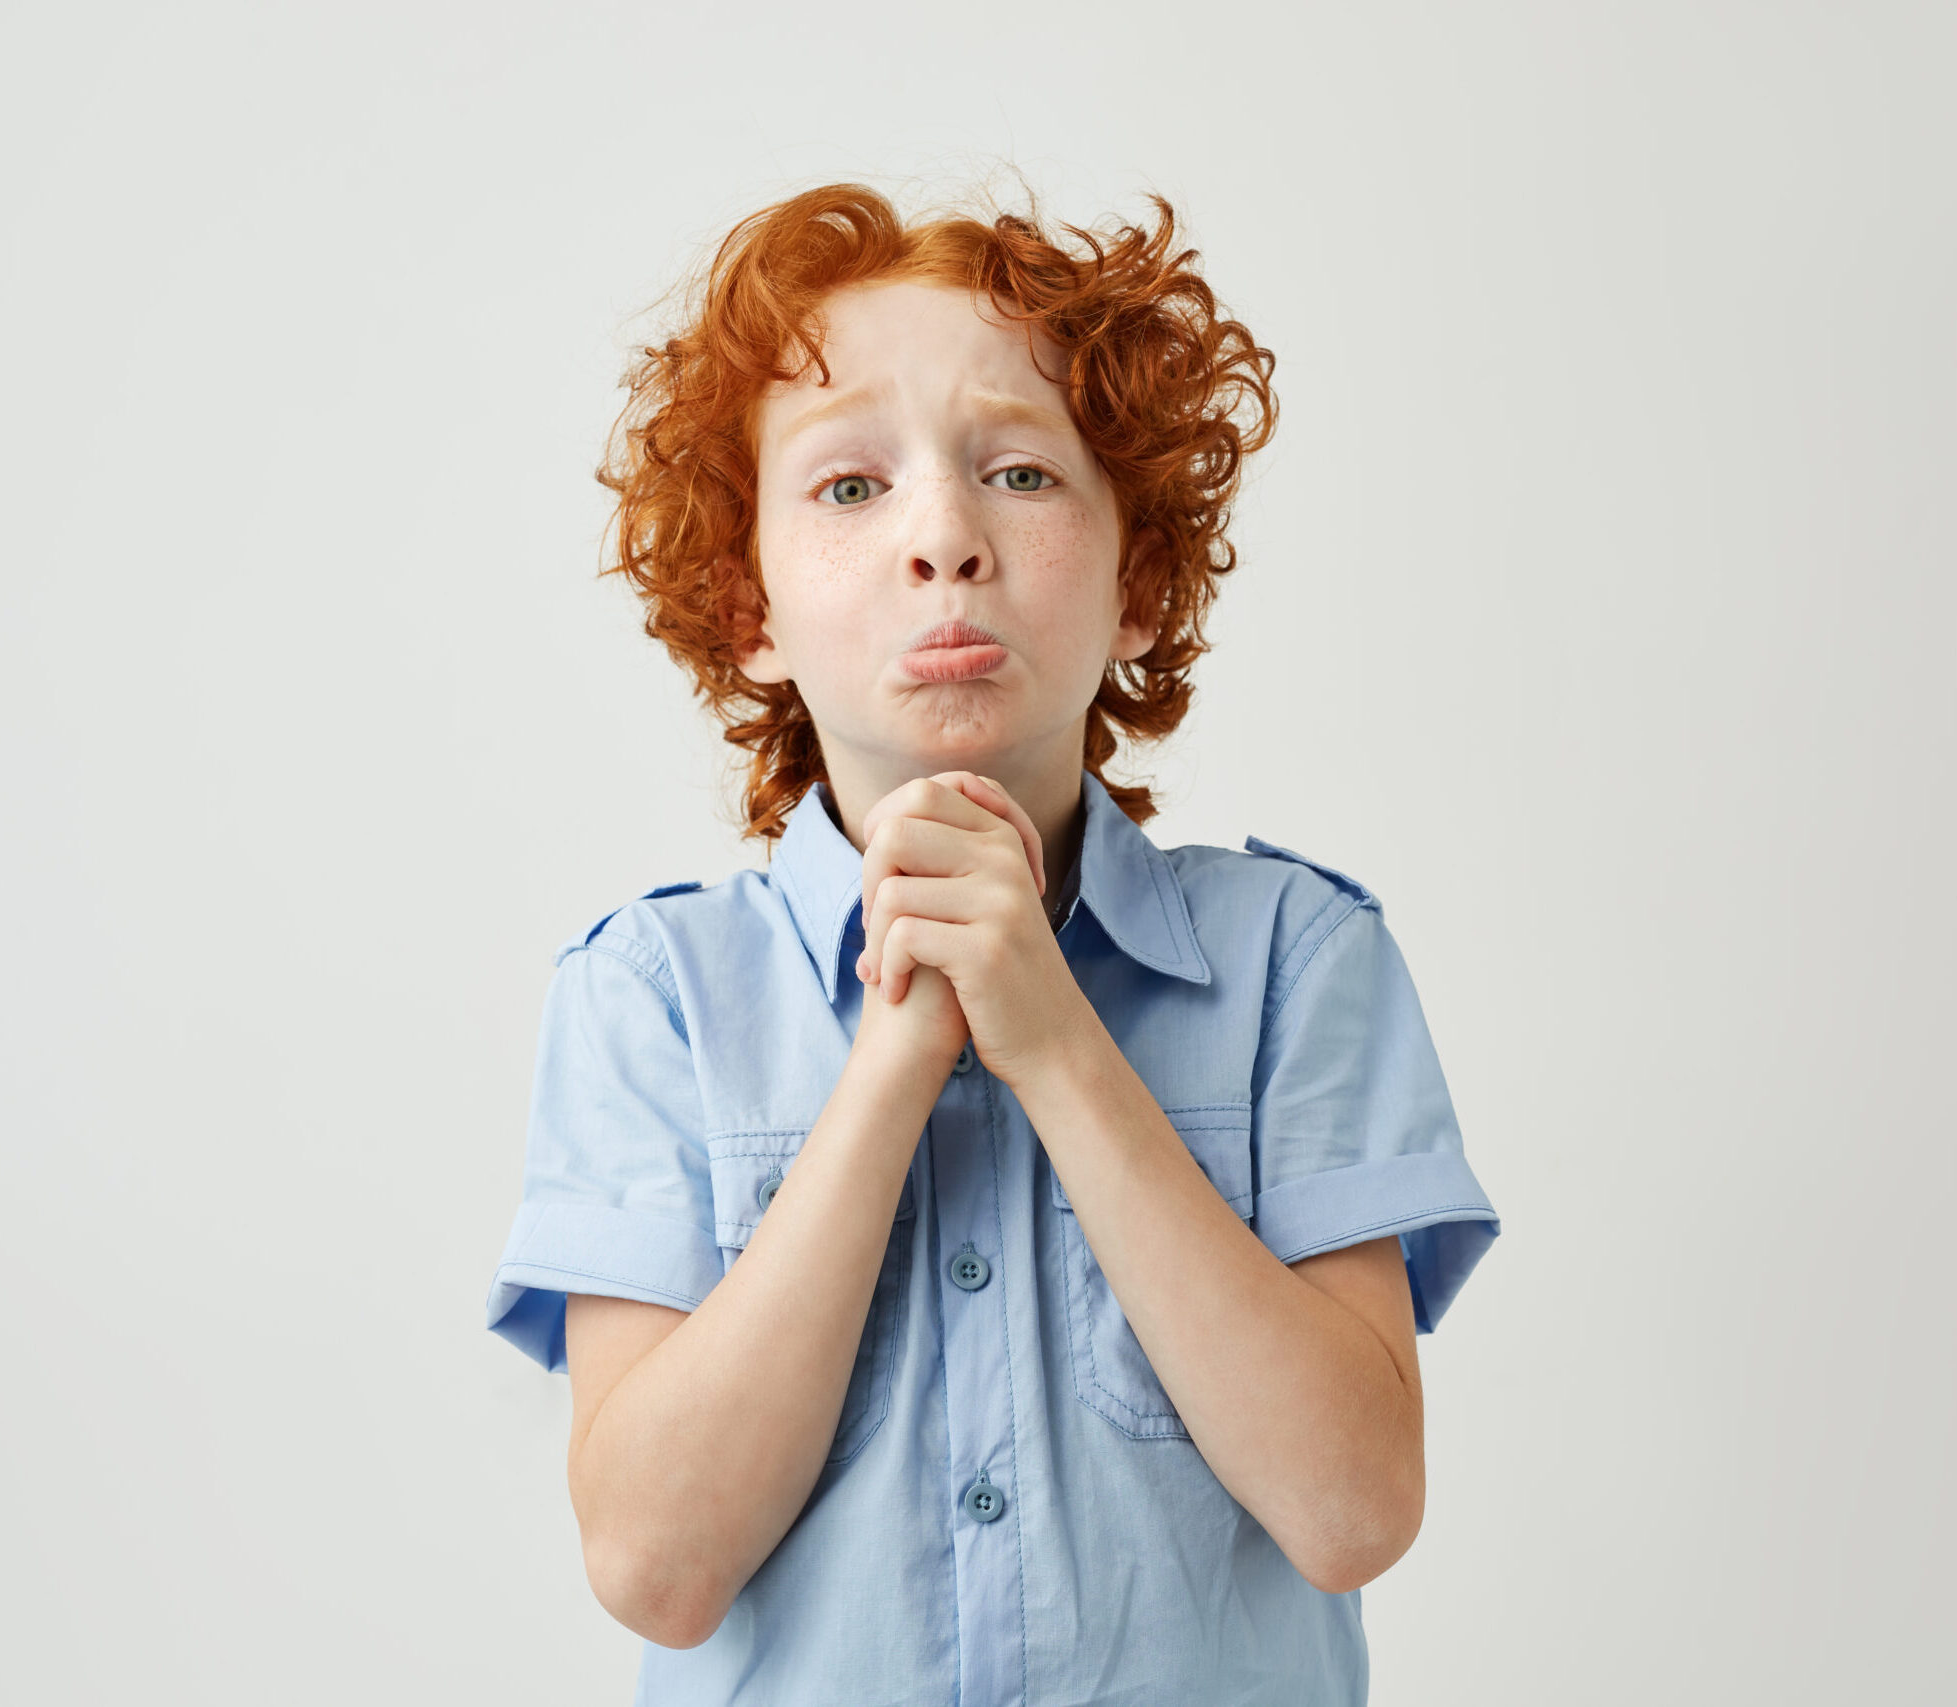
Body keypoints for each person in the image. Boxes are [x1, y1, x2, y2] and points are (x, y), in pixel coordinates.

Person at [483, 179, 1502, 1706]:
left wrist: (1050, 1038)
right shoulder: (652, 998)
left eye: (1020, 474)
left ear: (1138, 585)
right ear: (744, 604)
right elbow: (656, 1566)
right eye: (847, 489)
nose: (943, 538)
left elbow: (1353, 1510)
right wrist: (900, 1053)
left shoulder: (1297, 955)